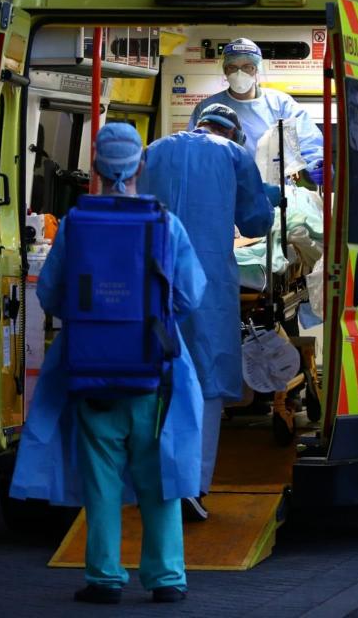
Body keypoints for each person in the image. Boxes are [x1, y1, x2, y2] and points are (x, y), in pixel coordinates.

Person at [10, 123, 207, 605]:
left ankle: (104, 577)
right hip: (155, 373)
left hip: (91, 371)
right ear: (141, 166)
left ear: (95, 169)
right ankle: (166, 579)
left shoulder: (77, 223)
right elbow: (190, 294)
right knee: (159, 478)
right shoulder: (166, 224)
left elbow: (53, 294)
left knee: (101, 480)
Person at [141, 105, 279, 522]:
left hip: (151, 282)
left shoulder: (154, 150)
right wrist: (270, 199)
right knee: (207, 384)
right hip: (205, 287)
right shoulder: (234, 156)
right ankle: (193, 487)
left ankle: (153, 482)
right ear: (235, 133)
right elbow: (254, 223)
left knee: (154, 385)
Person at [187, 37, 325, 184]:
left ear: (257, 69)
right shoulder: (208, 108)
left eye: (248, 67)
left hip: (273, 189)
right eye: (232, 67)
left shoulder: (280, 104)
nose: (239, 74)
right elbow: (193, 151)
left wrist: (314, 163)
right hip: (223, 188)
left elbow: (306, 138)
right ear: (225, 71)